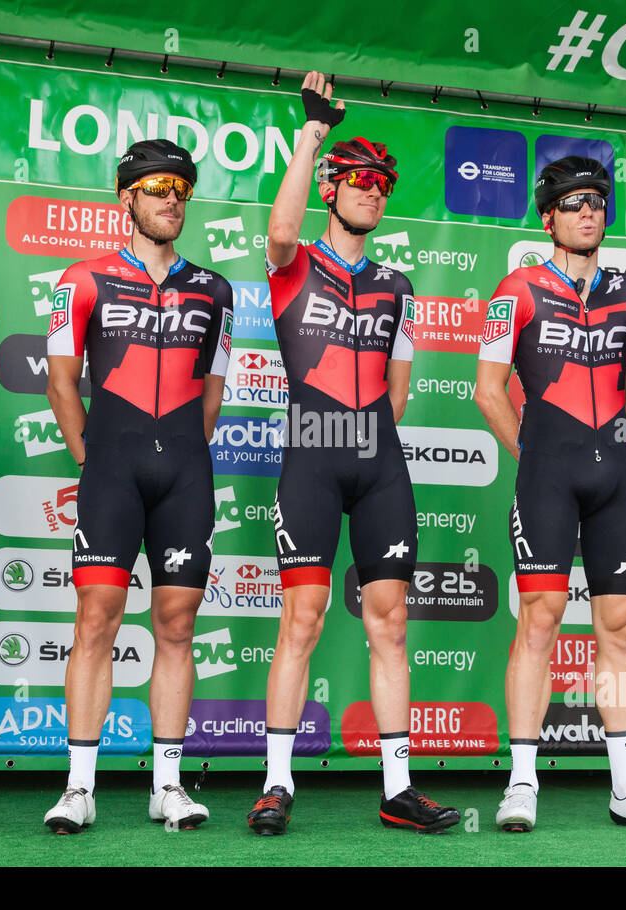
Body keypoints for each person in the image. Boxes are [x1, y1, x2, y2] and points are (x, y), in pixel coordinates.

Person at [246, 72, 458, 835]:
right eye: (360, 179)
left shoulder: (397, 283)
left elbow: (398, 389)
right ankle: (277, 783)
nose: (373, 191)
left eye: (383, 184)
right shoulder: (294, 262)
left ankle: (398, 786)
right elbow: (276, 231)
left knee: (390, 621)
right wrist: (312, 136)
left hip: (377, 458)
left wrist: (366, 436)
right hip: (311, 447)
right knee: (299, 620)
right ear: (332, 188)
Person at [476, 155, 626, 832]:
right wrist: (536, 454)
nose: (587, 212)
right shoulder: (515, 289)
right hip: (546, 471)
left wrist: (608, 445)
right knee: (539, 619)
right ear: (548, 218)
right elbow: (488, 390)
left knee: (621, 628)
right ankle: (521, 782)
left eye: (596, 201)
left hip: (615, 477)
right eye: (572, 203)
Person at [42, 139, 232, 833]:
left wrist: (181, 452)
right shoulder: (82, 279)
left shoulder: (215, 289)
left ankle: (168, 785)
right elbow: (63, 380)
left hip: (184, 467)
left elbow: (211, 392)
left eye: (181, 188)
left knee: (178, 624)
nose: (171, 199)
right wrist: (92, 458)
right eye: (157, 188)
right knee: (96, 621)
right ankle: (79, 786)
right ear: (126, 197)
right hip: (111, 468)